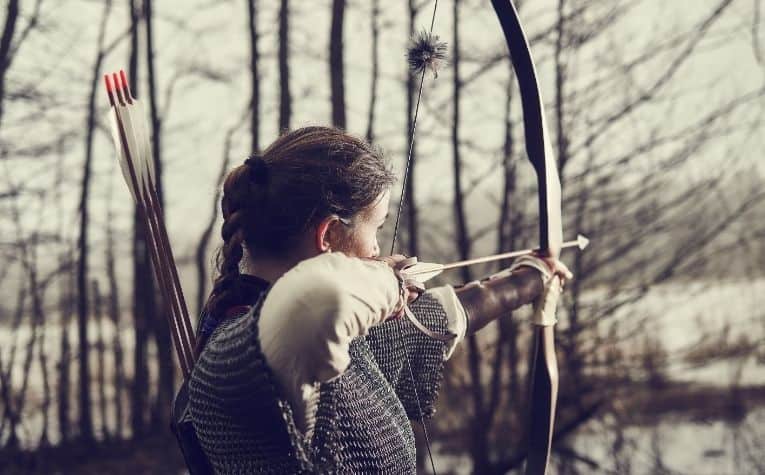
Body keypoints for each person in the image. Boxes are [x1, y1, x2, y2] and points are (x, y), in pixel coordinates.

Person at [184, 126, 571, 473]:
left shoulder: (336, 347)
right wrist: (390, 283)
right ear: (331, 235)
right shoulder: (239, 357)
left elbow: (443, 317)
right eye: (377, 229)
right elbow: (317, 301)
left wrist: (531, 279)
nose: (377, 250)